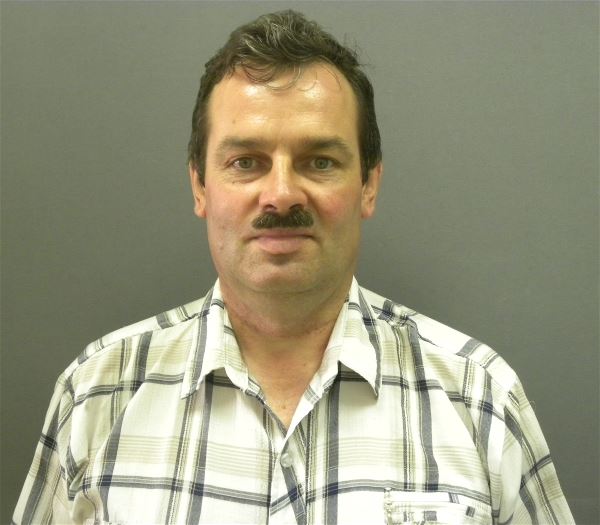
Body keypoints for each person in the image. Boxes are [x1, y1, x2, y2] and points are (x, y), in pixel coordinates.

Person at [13, 10, 573, 525]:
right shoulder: (96, 396)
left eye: (319, 161)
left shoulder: (480, 398)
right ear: (199, 185)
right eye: (246, 162)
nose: (281, 194)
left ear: (369, 184)